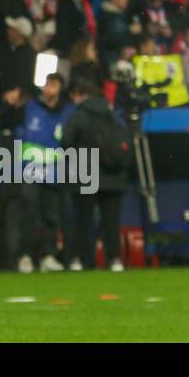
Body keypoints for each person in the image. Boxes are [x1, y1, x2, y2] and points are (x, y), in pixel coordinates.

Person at [62, 71, 130, 272]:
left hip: (85, 172)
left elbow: (66, 142)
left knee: (84, 220)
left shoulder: (78, 115)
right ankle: (114, 259)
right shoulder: (112, 113)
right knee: (111, 221)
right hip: (114, 174)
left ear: (79, 94)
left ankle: (86, 259)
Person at [15, 72, 73, 272]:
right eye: (47, 84)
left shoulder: (67, 112)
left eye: (54, 84)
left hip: (54, 172)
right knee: (29, 214)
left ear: (60, 89)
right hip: (30, 170)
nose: (49, 88)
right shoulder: (29, 108)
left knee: (51, 215)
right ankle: (26, 256)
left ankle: (48, 256)